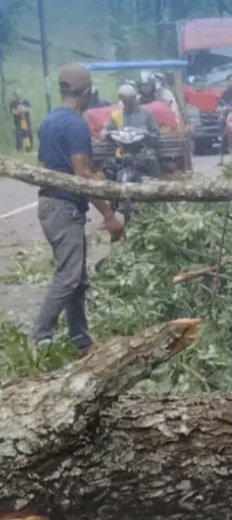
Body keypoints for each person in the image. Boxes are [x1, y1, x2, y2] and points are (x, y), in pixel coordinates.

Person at [31, 63, 124, 356]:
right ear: (86, 94)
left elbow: (44, 166)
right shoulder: (76, 124)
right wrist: (109, 214)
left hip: (50, 205)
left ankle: (81, 341)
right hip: (64, 207)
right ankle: (40, 338)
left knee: (78, 280)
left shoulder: (47, 121)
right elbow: (82, 175)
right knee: (68, 276)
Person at [105, 83, 162, 178]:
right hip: (122, 150)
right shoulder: (116, 115)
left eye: (130, 100)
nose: (128, 103)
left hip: (143, 149)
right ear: (122, 101)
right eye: (125, 101)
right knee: (109, 164)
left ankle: (157, 182)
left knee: (151, 158)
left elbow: (155, 132)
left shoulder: (146, 113)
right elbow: (109, 131)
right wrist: (109, 135)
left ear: (135, 98)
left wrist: (149, 138)